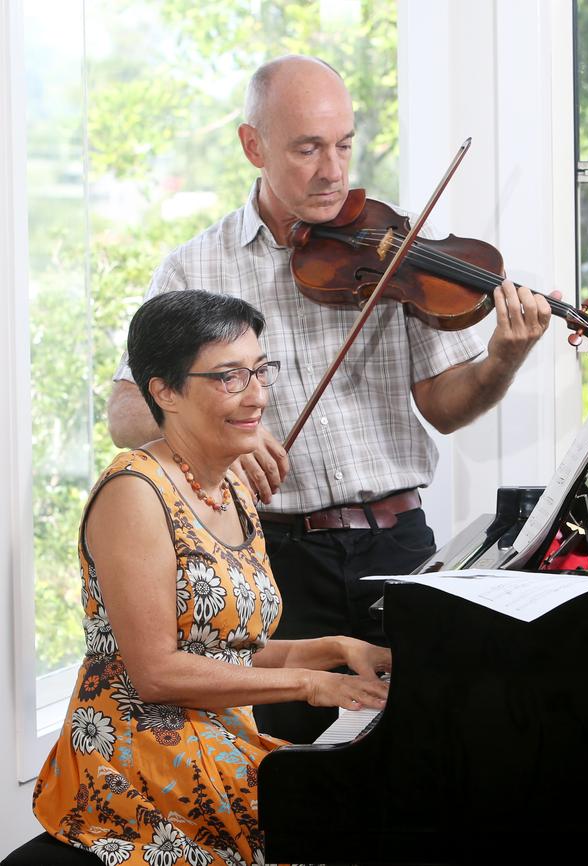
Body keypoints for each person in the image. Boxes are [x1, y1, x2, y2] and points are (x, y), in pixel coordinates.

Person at [107, 54, 553, 743]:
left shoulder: (394, 243)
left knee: (436, 753)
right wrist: (234, 434)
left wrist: (503, 355)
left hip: (400, 546)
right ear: (253, 146)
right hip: (276, 558)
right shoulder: (194, 268)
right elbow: (127, 413)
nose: (332, 170)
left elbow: (443, 404)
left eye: (344, 144)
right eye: (307, 148)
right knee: (290, 773)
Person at [32, 290, 391, 866]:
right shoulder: (135, 492)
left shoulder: (232, 487)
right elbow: (157, 672)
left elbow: (231, 650)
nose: (257, 396)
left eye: (259, 371)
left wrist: (338, 648)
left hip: (217, 745)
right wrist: (309, 684)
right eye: (229, 377)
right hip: (137, 769)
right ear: (164, 391)